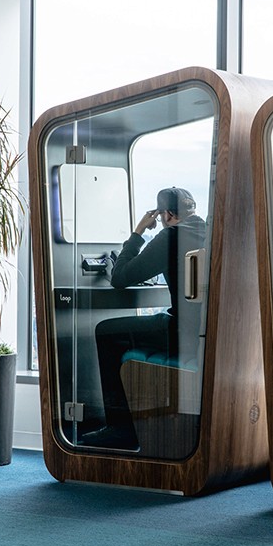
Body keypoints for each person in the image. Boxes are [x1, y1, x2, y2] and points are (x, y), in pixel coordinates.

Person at [79, 187, 206, 450]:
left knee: (106, 332)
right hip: (204, 332)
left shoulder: (171, 236)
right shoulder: (209, 232)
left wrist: (138, 233)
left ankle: (121, 429)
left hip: (182, 333)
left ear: (166, 214)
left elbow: (120, 277)